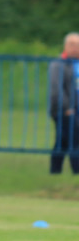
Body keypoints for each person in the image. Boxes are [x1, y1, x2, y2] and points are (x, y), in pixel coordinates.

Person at [47, 32, 79, 175]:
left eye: (78, 45)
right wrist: (67, 108)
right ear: (65, 46)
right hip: (64, 110)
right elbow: (56, 90)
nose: (75, 48)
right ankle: (74, 171)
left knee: (63, 140)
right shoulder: (58, 64)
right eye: (72, 45)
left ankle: (55, 171)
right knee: (73, 139)